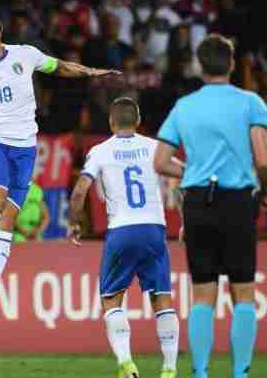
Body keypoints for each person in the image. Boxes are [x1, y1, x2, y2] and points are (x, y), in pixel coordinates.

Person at [0, 13, 121, 316]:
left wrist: (90, 72)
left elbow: (60, 67)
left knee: (8, 219)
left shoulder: (25, 55)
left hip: (25, 148)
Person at [154, 34, 267, 378]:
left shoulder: (184, 106)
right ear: (232, 63)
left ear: (200, 66)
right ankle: (240, 374)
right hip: (237, 202)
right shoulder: (250, 103)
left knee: (203, 293)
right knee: (244, 292)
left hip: (197, 205)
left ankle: (201, 373)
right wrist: (265, 192)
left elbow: (160, 161)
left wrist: (193, 171)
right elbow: (263, 159)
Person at [69, 97, 180, 378]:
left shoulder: (100, 151)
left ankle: (126, 364)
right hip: (154, 230)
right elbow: (184, 176)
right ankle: (169, 368)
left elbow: (80, 190)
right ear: (138, 121)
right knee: (162, 299)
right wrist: (186, 216)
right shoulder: (155, 148)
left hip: (122, 230)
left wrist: (74, 223)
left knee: (111, 300)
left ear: (111, 122)